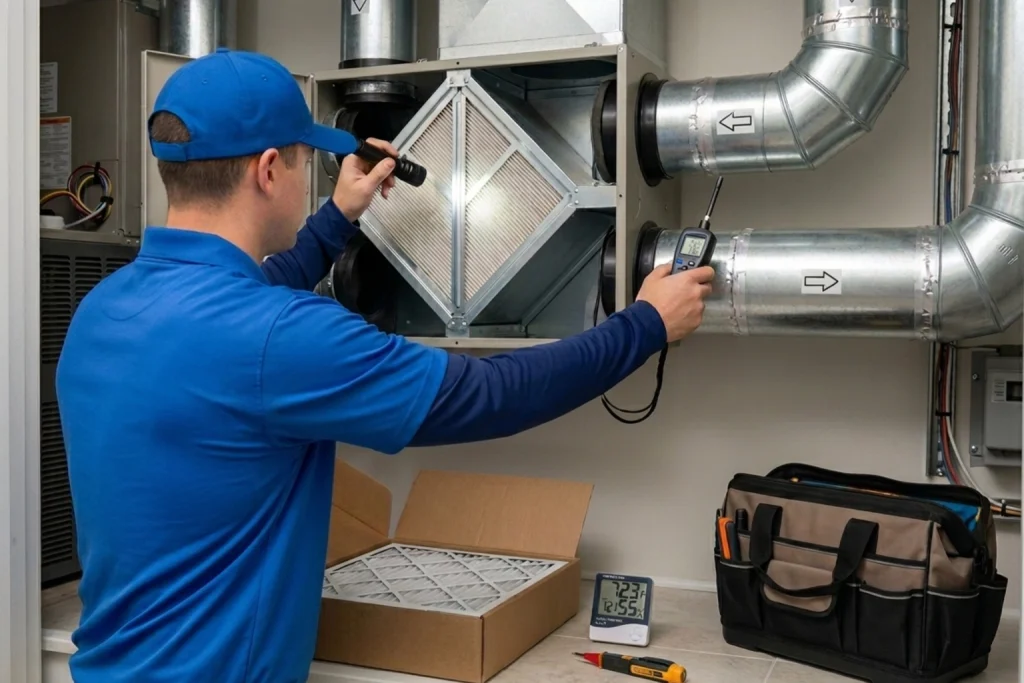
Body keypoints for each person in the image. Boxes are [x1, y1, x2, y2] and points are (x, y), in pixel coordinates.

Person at [56, 49, 714, 683]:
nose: (309, 171)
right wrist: (645, 325)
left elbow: (242, 305)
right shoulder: (278, 337)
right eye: (304, 160)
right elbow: (492, 394)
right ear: (267, 171)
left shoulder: (101, 311)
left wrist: (337, 217)